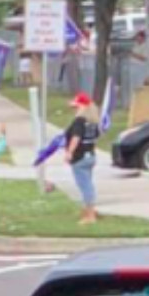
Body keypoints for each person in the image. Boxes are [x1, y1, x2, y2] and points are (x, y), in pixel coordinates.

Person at [65, 92, 100, 225]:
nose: (75, 109)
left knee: (85, 186)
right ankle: (87, 211)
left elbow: (76, 137)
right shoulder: (93, 122)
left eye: (77, 106)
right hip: (90, 156)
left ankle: (90, 216)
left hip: (79, 157)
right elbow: (95, 138)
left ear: (83, 106)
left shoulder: (79, 121)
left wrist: (69, 152)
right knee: (87, 183)